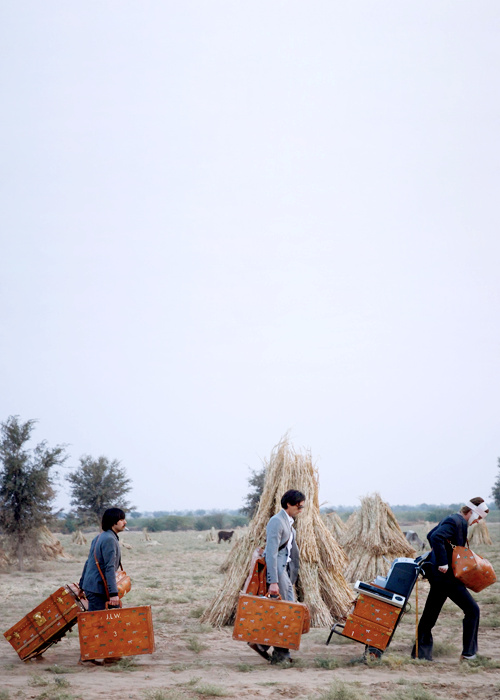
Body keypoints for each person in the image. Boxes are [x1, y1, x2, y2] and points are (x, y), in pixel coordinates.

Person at [412, 497, 489, 662]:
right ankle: (469, 654)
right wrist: (443, 562)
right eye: (479, 517)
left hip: (440, 577)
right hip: (446, 577)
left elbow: (430, 534)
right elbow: (436, 538)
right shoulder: (457, 521)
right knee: (472, 610)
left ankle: (420, 653)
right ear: (471, 512)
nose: (478, 521)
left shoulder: (453, 519)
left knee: (430, 614)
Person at [248, 489, 305, 665]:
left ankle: (265, 645)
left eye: (303, 505)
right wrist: (273, 582)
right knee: (287, 612)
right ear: (288, 504)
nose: (301, 508)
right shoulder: (276, 521)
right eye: (299, 505)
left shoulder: (289, 522)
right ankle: (278, 653)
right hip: (278, 572)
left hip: (285, 571)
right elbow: (271, 553)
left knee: (286, 612)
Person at [79, 507, 127, 612]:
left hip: (93, 587)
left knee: (110, 622)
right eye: (121, 519)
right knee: (98, 625)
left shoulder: (100, 536)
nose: (125, 522)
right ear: (112, 521)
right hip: (98, 590)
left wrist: (82, 585)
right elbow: (109, 567)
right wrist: (113, 594)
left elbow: (88, 563)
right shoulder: (109, 539)